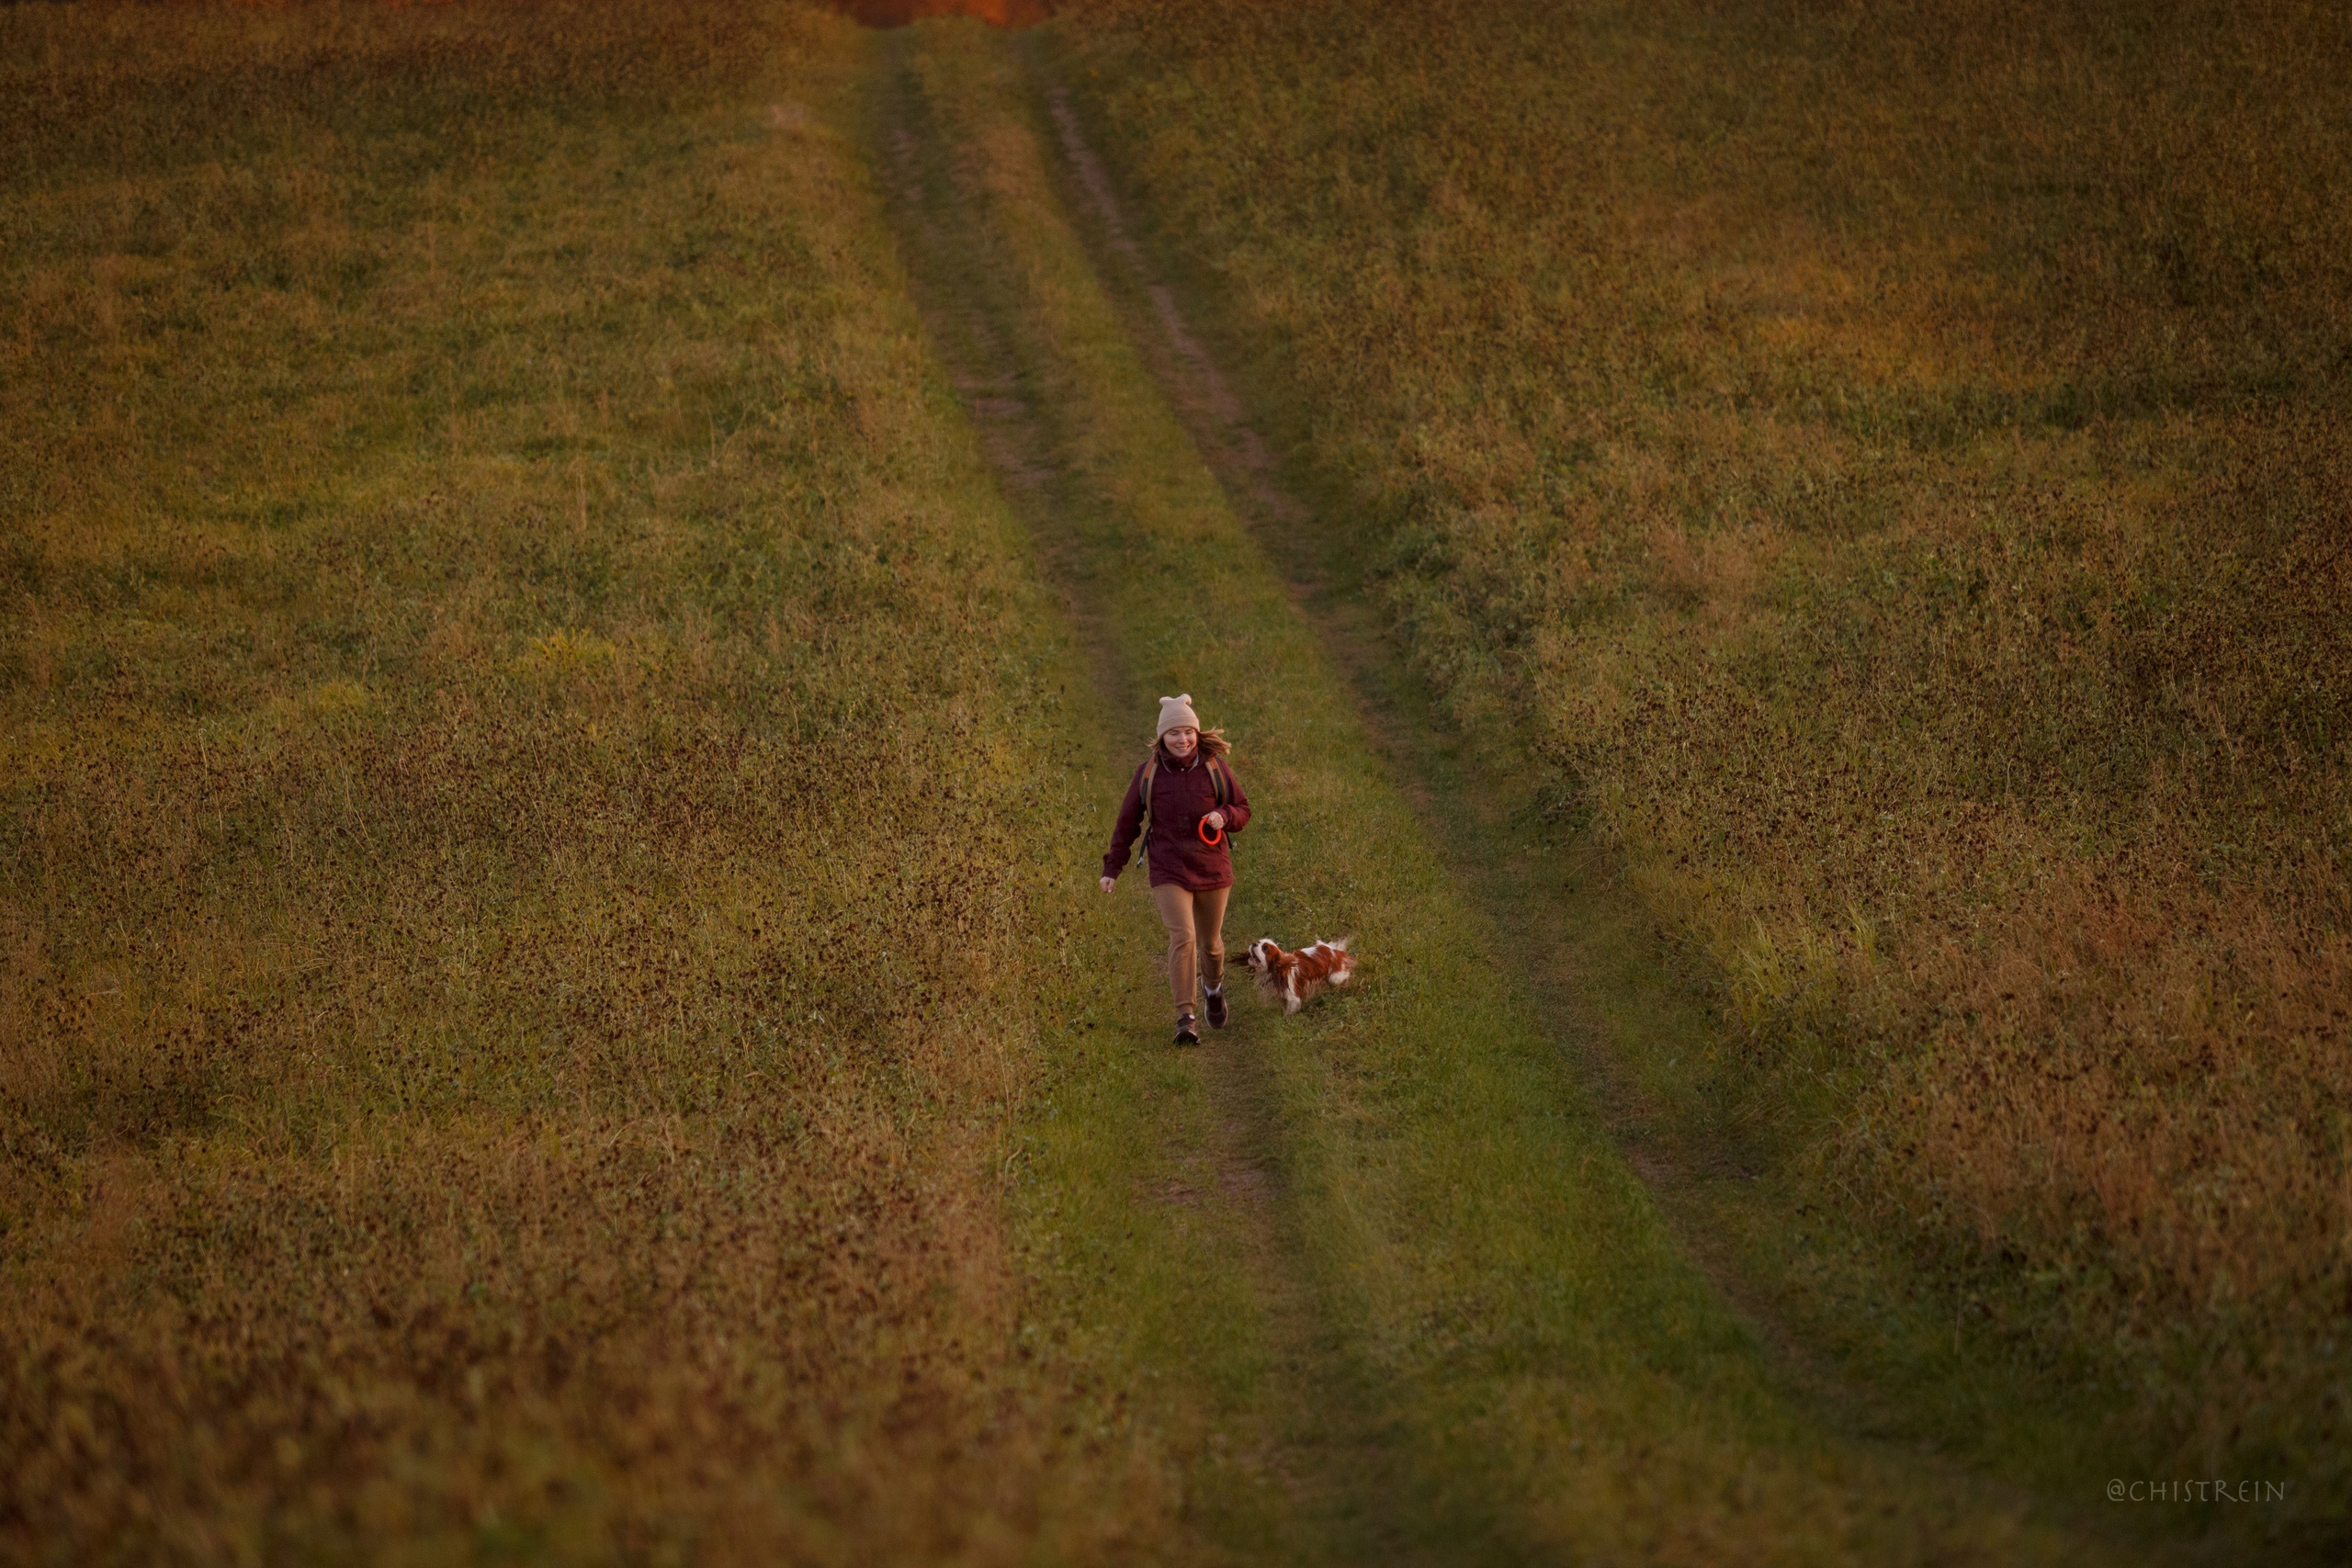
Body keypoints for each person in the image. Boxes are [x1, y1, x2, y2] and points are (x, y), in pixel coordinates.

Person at [1100, 694, 1251, 1045]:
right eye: (1174, 734)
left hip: (1212, 865)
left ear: (1196, 733)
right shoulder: (1149, 773)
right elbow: (1127, 824)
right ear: (1162, 737)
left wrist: (1224, 816)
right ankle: (1186, 1017)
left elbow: (1242, 808)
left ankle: (1213, 987)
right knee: (1184, 936)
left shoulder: (1214, 768)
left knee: (1211, 945)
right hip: (1168, 866)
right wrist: (1112, 868)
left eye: (1188, 732)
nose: (1182, 739)